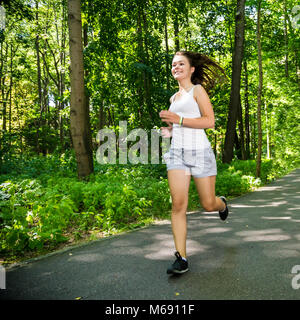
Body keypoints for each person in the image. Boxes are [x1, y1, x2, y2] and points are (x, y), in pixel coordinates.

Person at [159, 51, 229, 275]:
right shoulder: (173, 99)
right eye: (173, 64)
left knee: (208, 204)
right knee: (178, 206)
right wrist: (169, 131)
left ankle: (222, 204)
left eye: (181, 64)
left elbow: (209, 121)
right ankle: (181, 258)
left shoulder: (197, 91)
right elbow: (177, 126)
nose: (176, 67)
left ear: (191, 69)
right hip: (177, 154)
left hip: (200, 152)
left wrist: (178, 120)